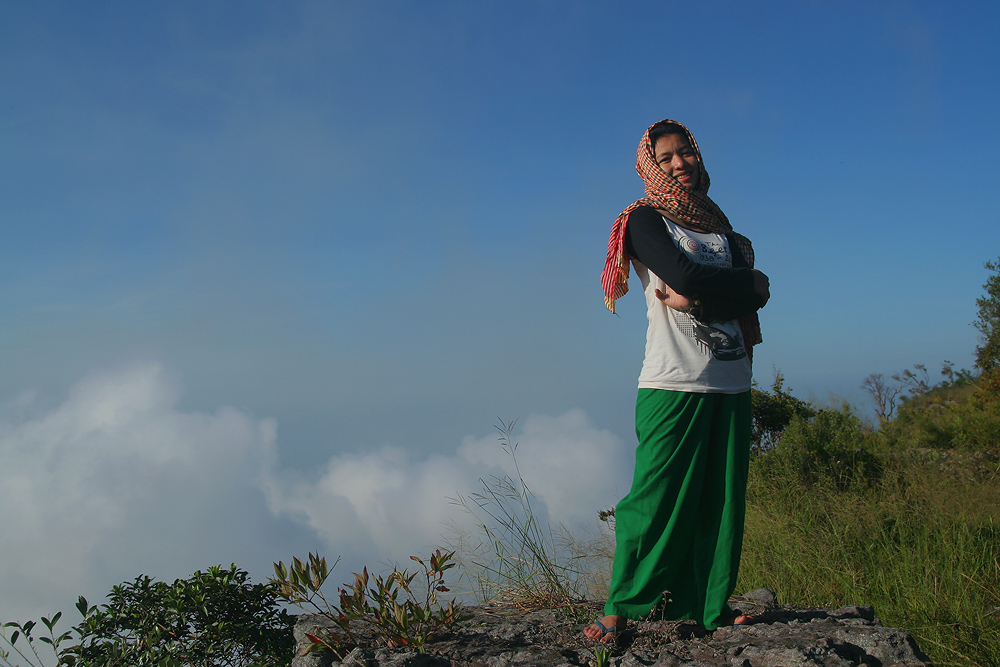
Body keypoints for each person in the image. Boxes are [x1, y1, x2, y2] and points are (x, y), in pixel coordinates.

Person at [586, 119, 769, 642]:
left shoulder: (721, 229)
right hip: (673, 380)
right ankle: (620, 606)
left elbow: (754, 290)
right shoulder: (644, 219)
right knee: (654, 498)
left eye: (685, 152)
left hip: (732, 378)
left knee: (721, 502)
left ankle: (712, 606)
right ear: (650, 166)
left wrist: (706, 298)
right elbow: (688, 277)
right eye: (665, 157)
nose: (679, 163)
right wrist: (740, 285)